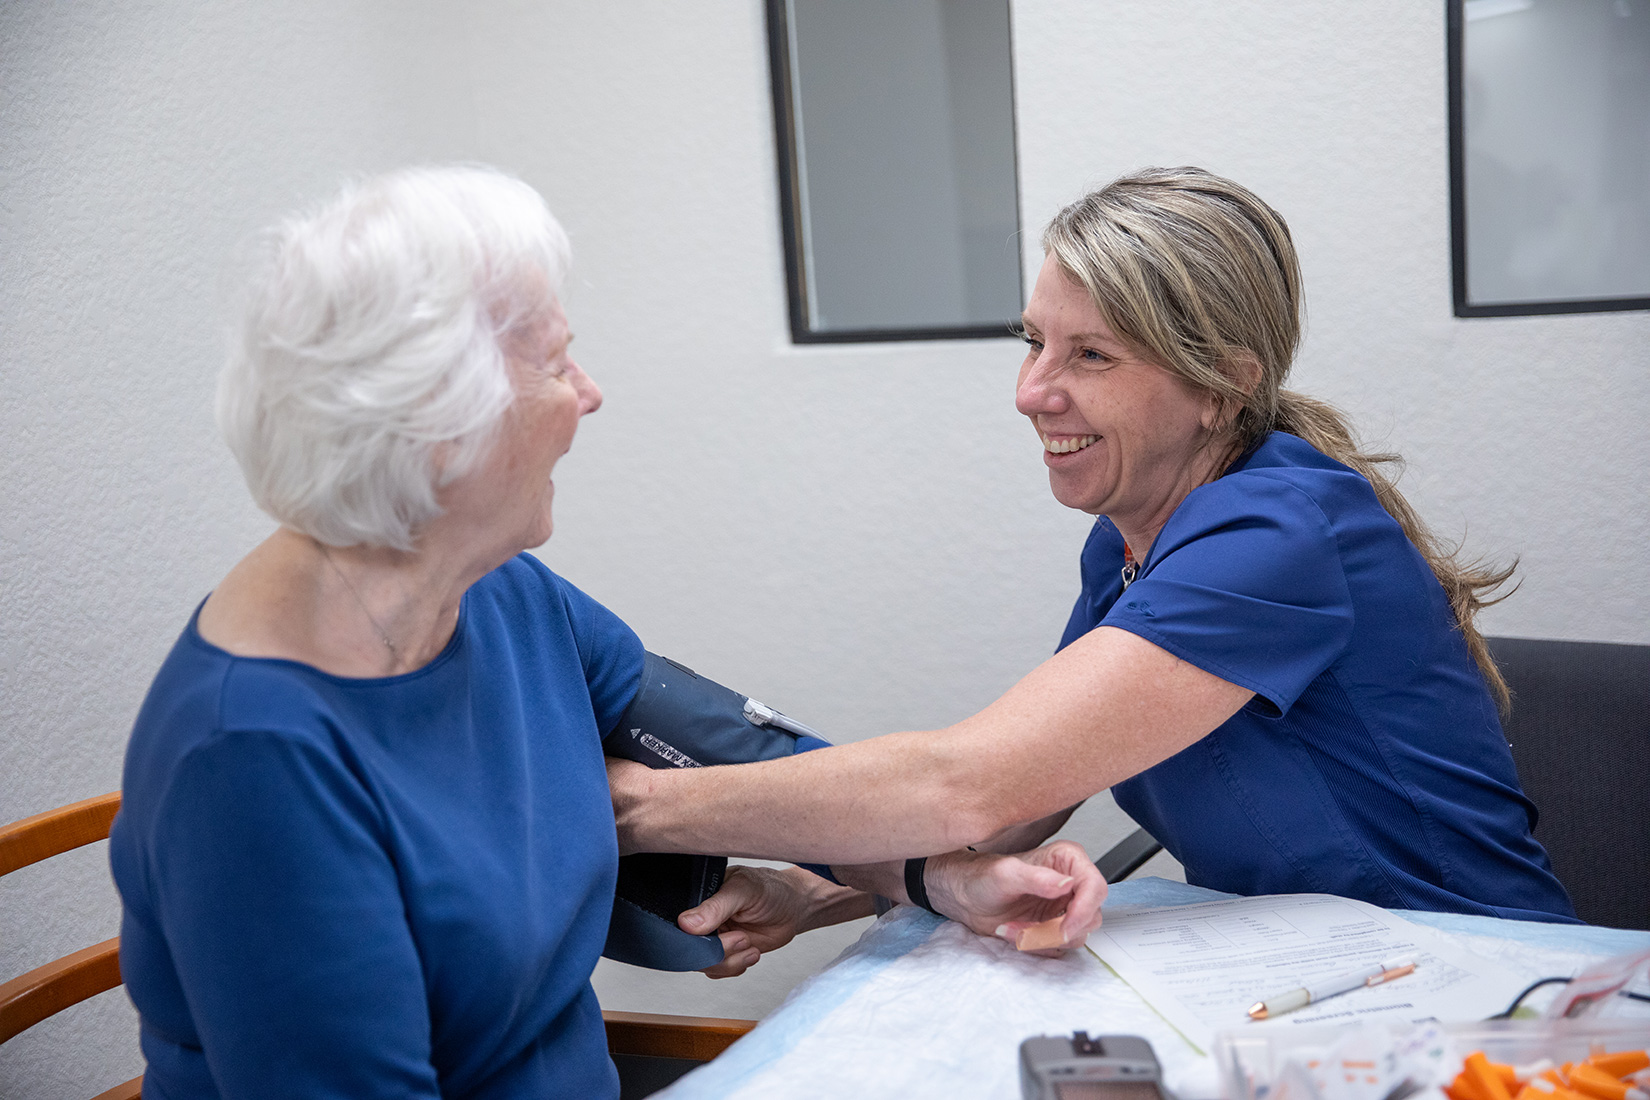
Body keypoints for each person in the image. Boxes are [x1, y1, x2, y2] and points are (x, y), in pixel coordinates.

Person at [108, 165, 1106, 1100]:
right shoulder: (255, 759)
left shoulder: (501, 597)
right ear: (440, 423)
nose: (589, 393)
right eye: (555, 361)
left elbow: (757, 761)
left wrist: (946, 876)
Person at [611, 166, 1579, 937]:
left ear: (1222, 385)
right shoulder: (1129, 541)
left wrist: (643, 806)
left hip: (1477, 982)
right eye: (1034, 342)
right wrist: (817, 893)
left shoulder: (1274, 537)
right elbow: (1019, 802)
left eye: (1091, 355)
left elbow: (967, 781)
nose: (1033, 391)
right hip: (1325, 969)